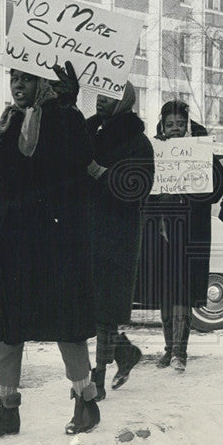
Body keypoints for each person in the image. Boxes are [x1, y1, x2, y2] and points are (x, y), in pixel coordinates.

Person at [0, 70, 100, 440]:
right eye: (13, 78)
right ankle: (7, 410)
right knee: (8, 326)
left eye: (27, 79)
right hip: (13, 238)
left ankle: (85, 403)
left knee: (66, 323)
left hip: (57, 237)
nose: (17, 86)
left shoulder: (66, 117)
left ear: (43, 84)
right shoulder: (8, 122)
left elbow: (81, 163)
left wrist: (69, 104)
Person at [138, 100, 223, 371]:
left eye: (179, 124)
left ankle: (180, 350)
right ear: (162, 126)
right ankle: (168, 348)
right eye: (169, 124)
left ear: (187, 125)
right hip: (161, 229)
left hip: (190, 232)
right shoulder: (154, 150)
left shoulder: (201, 150)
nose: (174, 129)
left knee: (183, 292)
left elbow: (216, 189)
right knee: (166, 291)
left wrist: (203, 159)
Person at [84, 82, 154, 397]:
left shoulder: (138, 142)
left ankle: (96, 379)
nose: (100, 100)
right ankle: (124, 352)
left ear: (124, 102)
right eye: (99, 94)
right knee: (91, 307)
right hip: (88, 230)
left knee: (105, 309)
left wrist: (100, 172)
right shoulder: (92, 134)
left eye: (109, 96)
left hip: (118, 235)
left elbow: (138, 185)